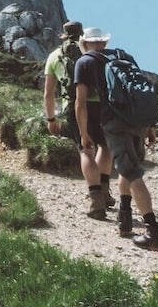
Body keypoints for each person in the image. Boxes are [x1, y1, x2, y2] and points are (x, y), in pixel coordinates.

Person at [72, 27, 158, 251]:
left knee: (132, 173)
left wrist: (84, 133)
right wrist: (150, 127)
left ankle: (153, 232)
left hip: (114, 122)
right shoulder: (125, 56)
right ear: (104, 42)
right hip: (138, 121)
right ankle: (125, 218)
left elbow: (80, 102)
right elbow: (141, 91)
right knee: (127, 168)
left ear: (85, 43)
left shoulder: (84, 62)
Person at [43, 21, 115, 220]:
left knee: (86, 150)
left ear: (64, 35)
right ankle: (105, 192)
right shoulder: (97, 53)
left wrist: (51, 118)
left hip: (75, 107)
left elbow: (49, 93)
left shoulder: (55, 56)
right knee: (105, 147)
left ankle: (96, 201)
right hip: (103, 105)